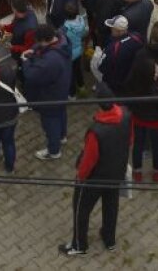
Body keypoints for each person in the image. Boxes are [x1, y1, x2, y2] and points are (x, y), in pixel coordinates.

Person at [59, 81, 132, 257]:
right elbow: (130, 141)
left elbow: (89, 161)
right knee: (111, 205)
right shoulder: (127, 115)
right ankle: (109, 239)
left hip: (95, 178)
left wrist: (80, 177)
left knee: (80, 209)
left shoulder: (96, 131)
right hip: (116, 172)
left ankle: (79, 245)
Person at [22, 23, 71, 160]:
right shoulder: (62, 40)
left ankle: (53, 151)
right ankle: (62, 136)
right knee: (61, 114)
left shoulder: (51, 60)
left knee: (50, 123)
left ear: (44, 40)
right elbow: (43, 48)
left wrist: (25, 61)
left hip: (50, 97)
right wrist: (34, 50)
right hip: (61, 91)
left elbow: (32, 76)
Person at [125, 48, 158, 184]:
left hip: (138, 118)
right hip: (156, 122)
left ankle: (137, 172)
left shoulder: (134, 84)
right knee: (157, 146)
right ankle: (157, 171)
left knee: (138, 144)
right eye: (156, 71)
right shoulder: (156, 90)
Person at [97, 15, 143, 95]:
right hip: (133, 80)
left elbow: (102, 68)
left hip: (117, 84)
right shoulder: (137, 37)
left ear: (119, 31)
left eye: (112, 28)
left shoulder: (112, 48)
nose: (110, 30)